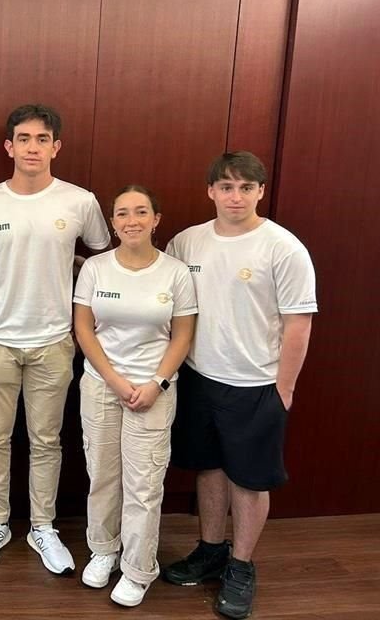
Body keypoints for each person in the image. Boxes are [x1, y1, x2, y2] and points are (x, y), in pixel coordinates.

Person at [163, 152, 317, 619]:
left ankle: (242, 565)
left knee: (248, 480)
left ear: (260, 192)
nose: (236, 196)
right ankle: (211, 550)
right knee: (209, 469)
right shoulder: (187, 242)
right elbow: (149, 280)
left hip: (256, 384)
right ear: (210, 190)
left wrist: (283, 390)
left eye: (246, 188)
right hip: (197, 378)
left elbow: (298, 325)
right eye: (226, 187)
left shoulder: (282, 247)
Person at [0, 104, 110, 573]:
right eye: (23, 139)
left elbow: (104, 262)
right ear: (9, 146)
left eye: (41, 139)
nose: (32, 147)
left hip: (54, 342)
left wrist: (79, 281)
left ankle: (42, 527)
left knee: (46, 439)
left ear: (56, 146)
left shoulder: (80, 201)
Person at [73, 185, 197, 606]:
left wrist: (156, 383)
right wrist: (115, 381)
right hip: (102, 385)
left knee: (144, 484)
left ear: (156, 219)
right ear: (112, 222)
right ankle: (103, 550)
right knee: (102, 474)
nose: (132, 221)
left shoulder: (175, 273)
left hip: (154, 390)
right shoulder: (95, 268)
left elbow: (183, 335)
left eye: (141, 212)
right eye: (123, 213)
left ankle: (138, 568)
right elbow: (84, 329)